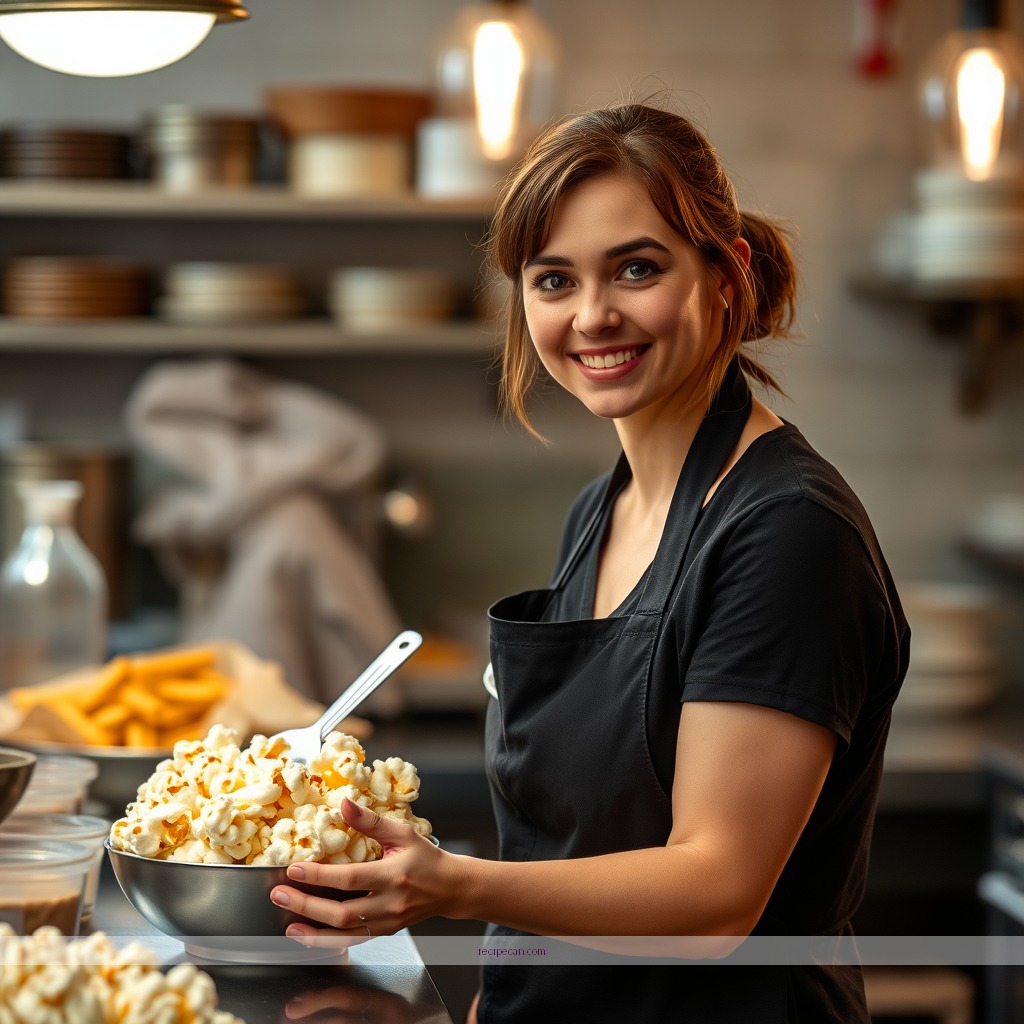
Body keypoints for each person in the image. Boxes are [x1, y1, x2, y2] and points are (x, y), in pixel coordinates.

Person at [270, 101, 910, 1024]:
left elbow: (715, 893)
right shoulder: (598, 513)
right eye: (554, 280)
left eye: (637, 269)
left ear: (726, 275)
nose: (593, 316)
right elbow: (560, 846)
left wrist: (453, 887)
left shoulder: (787, 533)